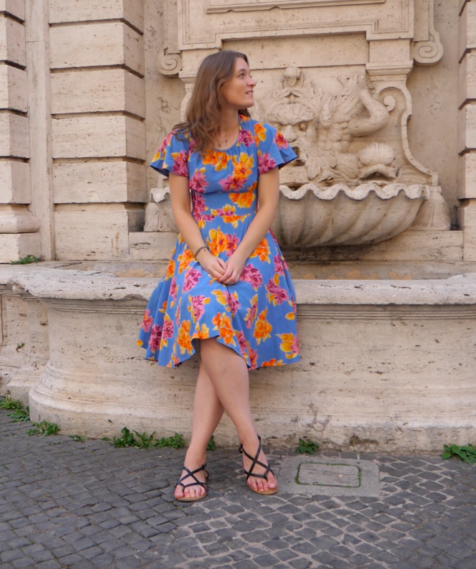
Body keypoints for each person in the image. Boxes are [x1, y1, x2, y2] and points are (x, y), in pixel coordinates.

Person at [138, 50, 301, 502]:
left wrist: (241, 256)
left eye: (250, 73)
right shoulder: (182, 141)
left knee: (217, 320)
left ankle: (195, 459)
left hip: (253, 249)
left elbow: (268, 207)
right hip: (200, 249)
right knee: (208, 307)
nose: (253, 82)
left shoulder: (264, 137)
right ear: (218, 86)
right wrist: (205, 255)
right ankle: (251, 444)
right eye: (243, 75)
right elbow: (180, 210)